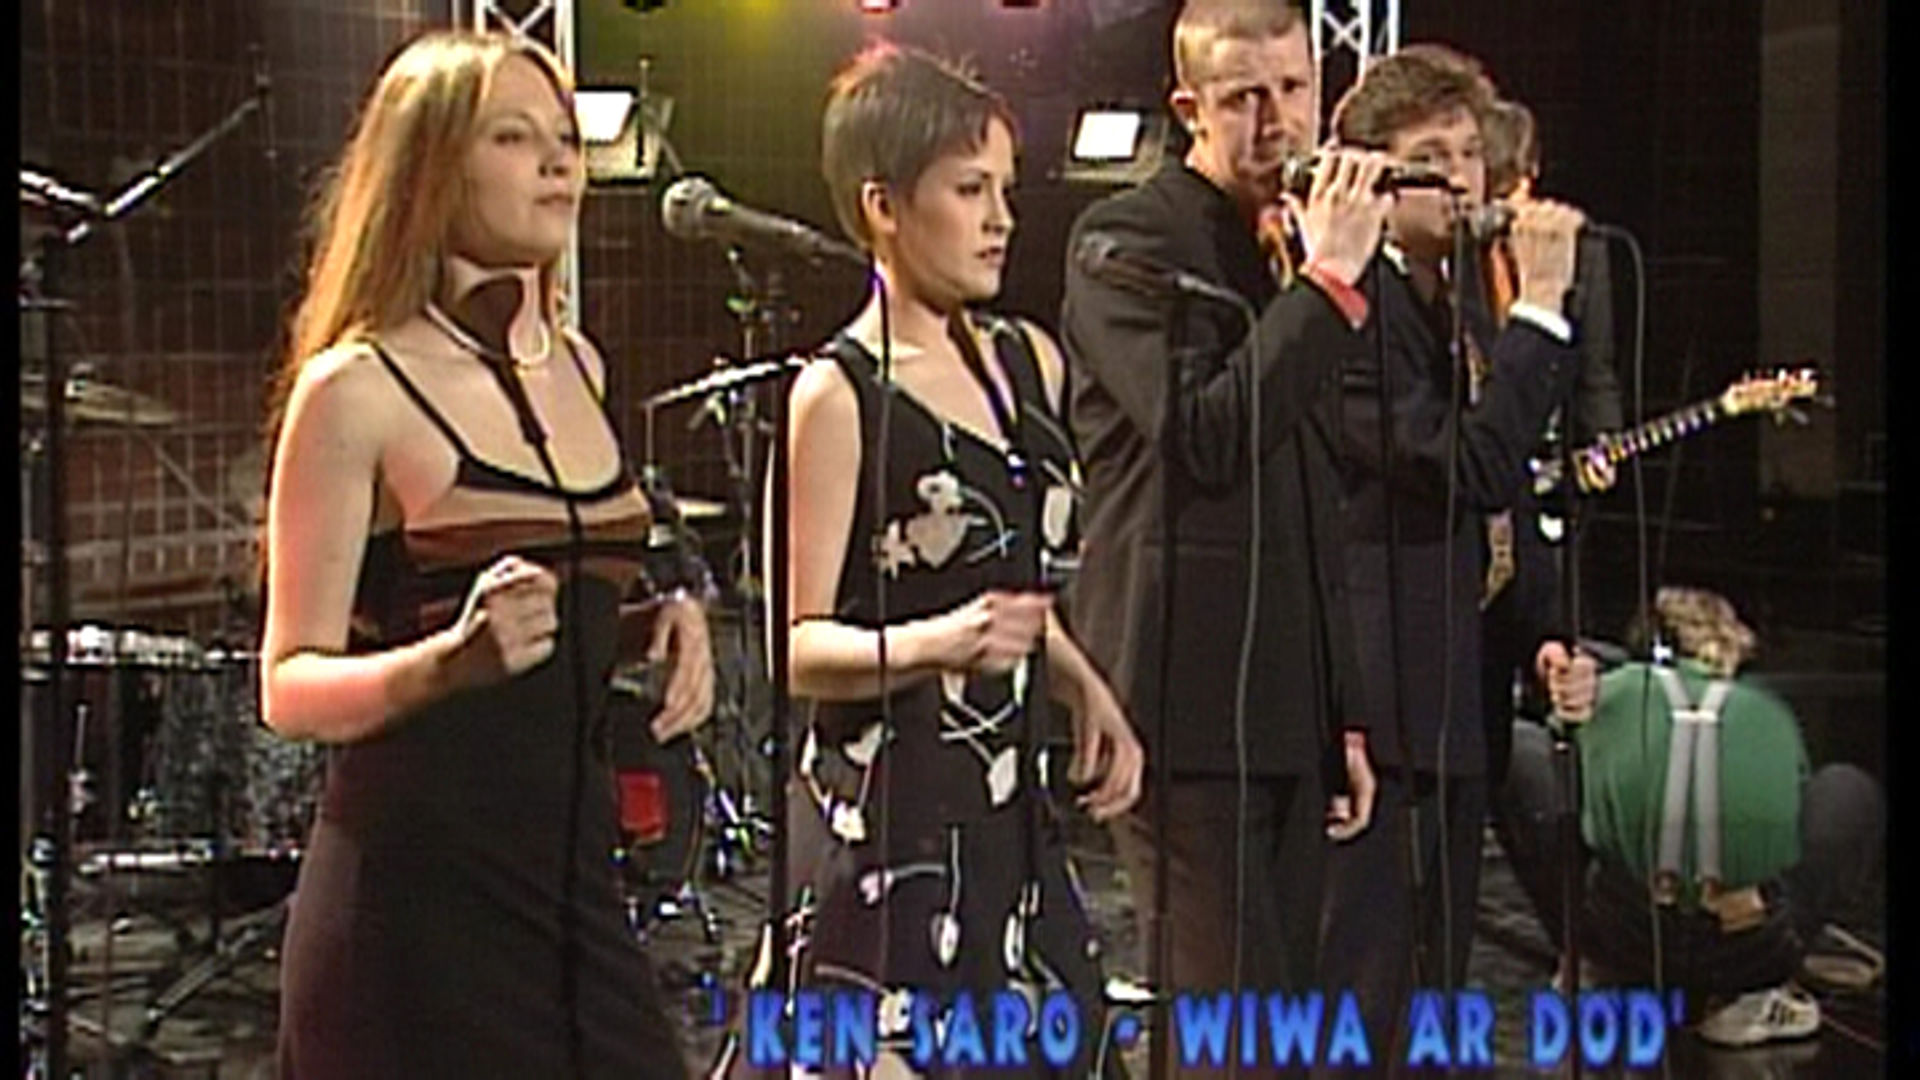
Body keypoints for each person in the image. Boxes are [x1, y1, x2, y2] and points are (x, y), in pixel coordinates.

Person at [259, 30, 714, 1078]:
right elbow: (288, 685)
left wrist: (654, 621)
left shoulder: (580, 366)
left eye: (565, 139)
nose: (558, 162)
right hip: (416, 903)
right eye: (513, 137)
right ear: (429, 167)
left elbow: (554, 602)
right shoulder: (356, 389)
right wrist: (445, 663)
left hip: (572, 884)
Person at [744, 41, 1143, 1078]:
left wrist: (1084, 687)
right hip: (890, 827)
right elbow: (795, 648)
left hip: (1009, 817)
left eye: (1005, 188)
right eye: (970, 190)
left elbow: (1016, 592)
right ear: (883, 205)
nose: (1001, 218)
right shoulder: (838, 396)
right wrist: (938, 641)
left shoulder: (1026, 363)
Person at [1059, 0, 1392, 1063]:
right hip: (1180, 703)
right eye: (1245, 97)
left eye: (1294, 90)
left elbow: (1317, 503)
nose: (1277, 120)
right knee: (1231, 1036)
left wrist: (1341, 710)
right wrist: (1327, 285)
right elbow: (1205, 433)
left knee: (1272, 1031)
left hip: (1289, 704)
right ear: (1188, 107)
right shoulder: (1125, 240)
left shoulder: (1290, 253)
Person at [1310, 43, 1589, 1071]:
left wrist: (1543, 634)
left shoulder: (1458, 310)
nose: (1464, 178)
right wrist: (1543, 311)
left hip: (1461, 700)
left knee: (1435, 990)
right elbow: (1466, 464)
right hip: (1382, 715)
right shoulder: (1352, 318)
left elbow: (1505, 499)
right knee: (1364, 995)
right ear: (1372, 181)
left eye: (1472, 152)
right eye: (1432, 157)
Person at [1498, 587, 1884, 1048]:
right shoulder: (1768, 714)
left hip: (1623, 937)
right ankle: (1750, 996)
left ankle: (1590, 966)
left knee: (1518, 751)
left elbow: (1561, 746)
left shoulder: (1612, 691)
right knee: (1847, 789)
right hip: (1744, 948)